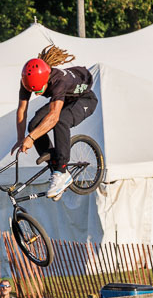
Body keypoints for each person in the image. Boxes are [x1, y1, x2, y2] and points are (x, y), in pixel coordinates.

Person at [10, 45, 97, 200]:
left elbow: (54, 117)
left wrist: (31, 138)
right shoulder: (26, 81)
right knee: (34, 125)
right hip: (66, 98)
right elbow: (22, 110)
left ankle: (61, 171)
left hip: (84, 100)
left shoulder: (59, 82)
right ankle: (55, 169)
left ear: (46, 80)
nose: (37, 94)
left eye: (39, 90)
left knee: (60, 121)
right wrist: (20, 138)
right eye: (33, 91)